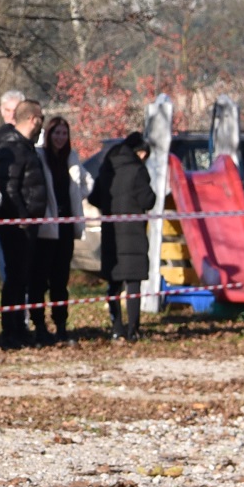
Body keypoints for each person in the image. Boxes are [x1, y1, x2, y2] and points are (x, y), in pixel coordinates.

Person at [89, 129, 155, 339]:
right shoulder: (137, 170)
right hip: (133, 233)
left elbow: (93, 197)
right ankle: (133, 330)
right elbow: (148, 200)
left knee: (114, 282)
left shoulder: (107, 167)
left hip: (111, 231)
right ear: (140, 153)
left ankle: (117, 328)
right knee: (133, 282)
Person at [0, 97, 46, 346]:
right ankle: (10, 330)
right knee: (14, 279)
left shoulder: (27, 147)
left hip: (29, 225)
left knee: (22, 278)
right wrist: (22, 218)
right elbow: (9, 188)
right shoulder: (11, 148)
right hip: (15, 225)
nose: (42, 123)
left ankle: (20, 327)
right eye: (41, 118)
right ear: (33, 119)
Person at [34, 115, 84, 340]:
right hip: (46, 227)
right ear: (49, 134)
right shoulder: (40, 156)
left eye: (64, 133)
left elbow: (86, 184)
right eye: (57, 133)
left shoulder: (71, 158)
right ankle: (39, 325)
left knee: (61, 279)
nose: (61, 138)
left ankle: (61, 324)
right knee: (39, 278)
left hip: (66, 226)